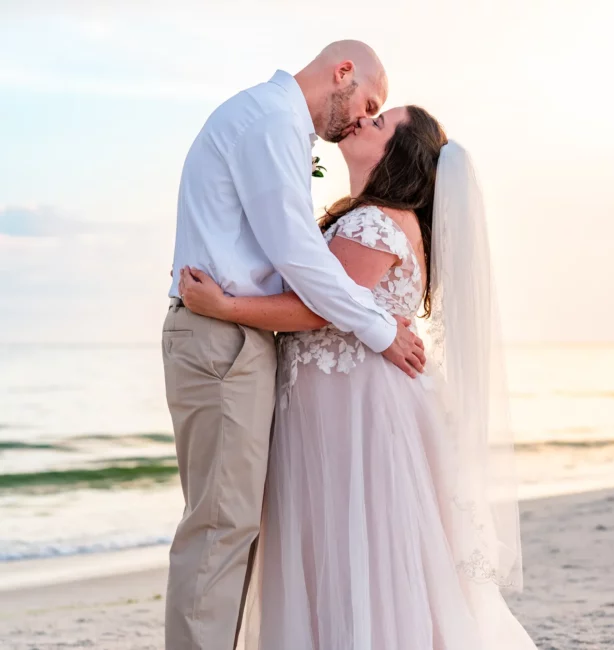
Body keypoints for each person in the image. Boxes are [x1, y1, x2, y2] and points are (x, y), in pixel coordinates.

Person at [179, 106, 539, 648]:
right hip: (350, 401)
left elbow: (316, 310)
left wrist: (222, 305)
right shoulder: (377, 219)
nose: (361, 122)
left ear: (397, 153)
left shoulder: (374, 223)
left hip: (357, 410)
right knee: (359, 550)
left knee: (356, 550)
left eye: (379, 123)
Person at [162, 41, 425, 650]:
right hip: (219, 339)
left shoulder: (276, 124)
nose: (362, 118)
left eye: (377, 114)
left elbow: (292, 258)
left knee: (232, 526)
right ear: (342, 73)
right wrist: (380, 330)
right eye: (369, 102)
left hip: (235, 337)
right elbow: (298, 255)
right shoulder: (271, 121)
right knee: (222, 525)